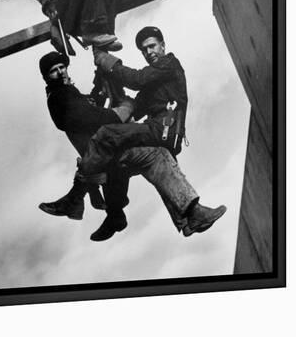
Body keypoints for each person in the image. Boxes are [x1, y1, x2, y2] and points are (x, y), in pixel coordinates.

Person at [77, 26, 227, 237]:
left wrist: (105, 60)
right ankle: (187, 218)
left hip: (162, 129)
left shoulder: (169, 64)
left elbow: (136, 79)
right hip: (160, 134)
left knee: (107, 134)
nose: (149, 52)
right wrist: (108, 84)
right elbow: (133, 111)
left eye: (152, 46)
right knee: (120, 160)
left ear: (163, 46)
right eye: (144, 50)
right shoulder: (154, 80)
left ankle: (82, 185)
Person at [38, 51, 133, 241]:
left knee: (108, 174)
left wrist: (98, 88)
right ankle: (102, 210)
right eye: (54, 71)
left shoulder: (66, 91)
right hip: (96, 144)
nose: (61, 72)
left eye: (62, 67)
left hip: (95, 147)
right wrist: (119, 113)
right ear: (46, 77)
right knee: (109, 166)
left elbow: (86, 108)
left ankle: (105, 212)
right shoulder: (58, 95)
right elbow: (88, 117)